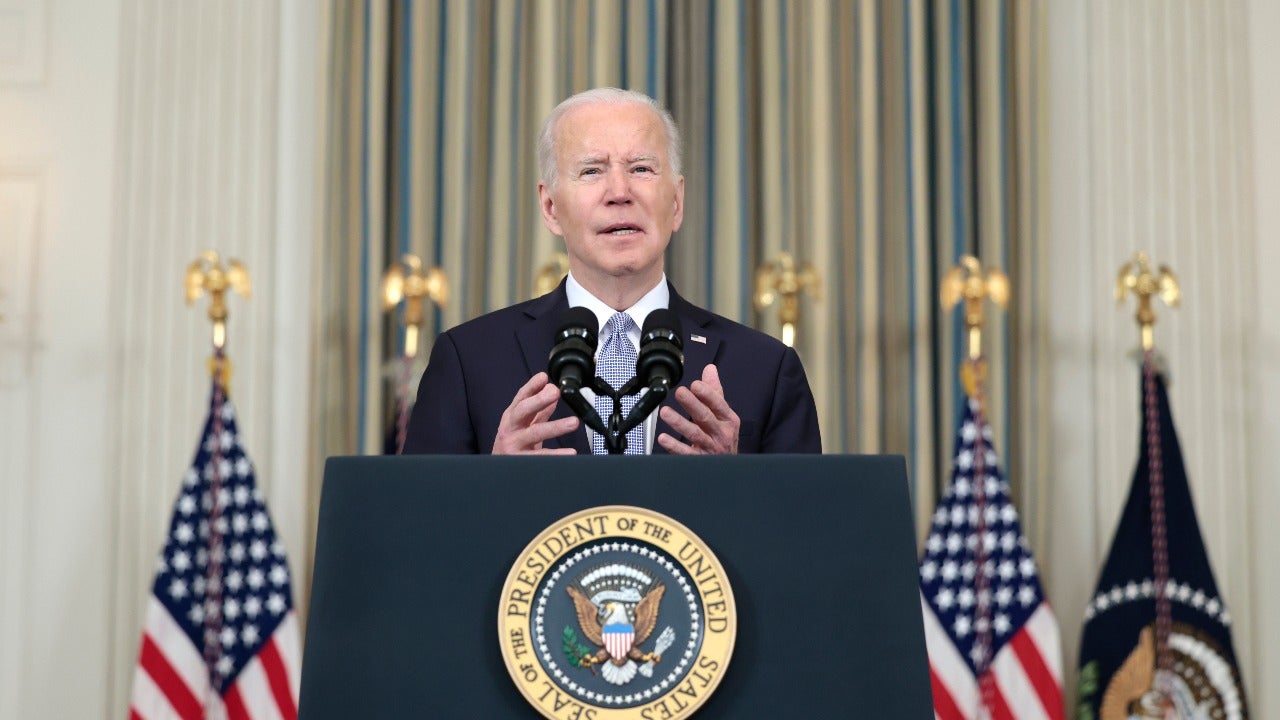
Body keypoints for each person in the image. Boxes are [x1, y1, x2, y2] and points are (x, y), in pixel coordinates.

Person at [403, 88, 820, 455]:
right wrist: (488, 486)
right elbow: (419, 529)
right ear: (550, 207)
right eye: (592, 171)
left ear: (676, 203)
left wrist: (736, 485)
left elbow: (801, 535)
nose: (619, 193)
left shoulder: (766, 368)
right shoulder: (468, 361)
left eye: (641, 168)